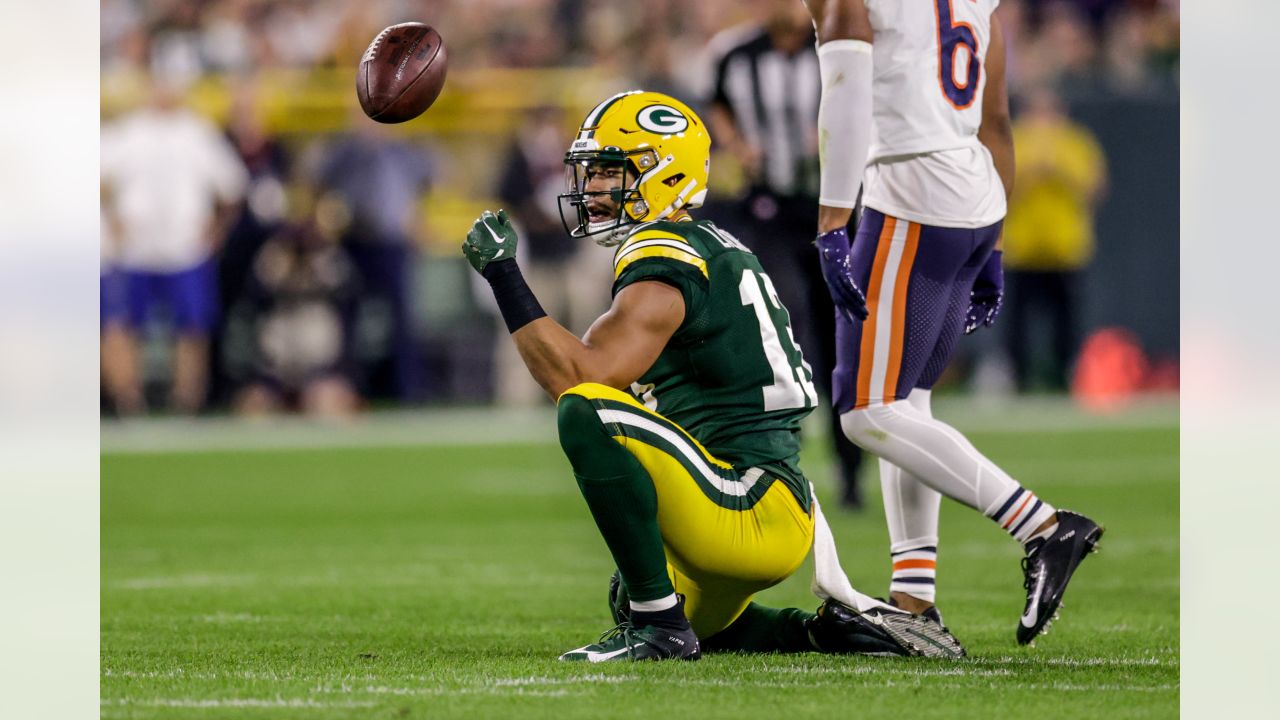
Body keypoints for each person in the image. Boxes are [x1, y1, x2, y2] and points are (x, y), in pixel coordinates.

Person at [461, 90, 963, 662]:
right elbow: (587, 365)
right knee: (631, 591)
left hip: (744, 502)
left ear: (664, 175)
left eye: (610, 172)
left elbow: (581, 380)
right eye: (591, 173)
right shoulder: (704, 245)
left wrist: (504, 275)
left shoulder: (667, 252)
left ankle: (660, 631)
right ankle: (815, 631)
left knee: (586, 414)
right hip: (765, 504)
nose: (595, 189)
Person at [804, 0, 1104, 645]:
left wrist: (833, 219)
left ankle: (1044, 528)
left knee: (864, 411)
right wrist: (994, 244)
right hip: (974, 190)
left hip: (909, 190)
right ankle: (914, 601)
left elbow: (848, 94)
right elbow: (996, 119)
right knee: (907, 401)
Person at [708, 0, 867, 509]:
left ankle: (849, 473)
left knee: (841, 338)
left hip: (836, 213)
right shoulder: (735, 53)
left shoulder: (838, 46)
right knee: (780, 318)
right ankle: (778, 461)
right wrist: (735, 143)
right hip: (767, 210)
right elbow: (716, 104)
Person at [100, 71, 249, 414]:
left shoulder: (196, 131)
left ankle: (187, 401)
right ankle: (127, 400)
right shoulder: (128, 131)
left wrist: (217, 228)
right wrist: (110, 219)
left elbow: (233, 186)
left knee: (192, 328)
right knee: (120, 325)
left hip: (186, 248)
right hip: (133, 250)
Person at [1002, 87, 1107, 391]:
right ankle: (1018, 380)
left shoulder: (1075, 142)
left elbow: (1094, 189)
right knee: (1017, 323)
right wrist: (1032, 172)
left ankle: (1065, 377)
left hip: (1065, 249)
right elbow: (1001, 189)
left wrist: (1059, 169)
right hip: (1023, 248)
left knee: (1066, 322)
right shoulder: (1015, 140)